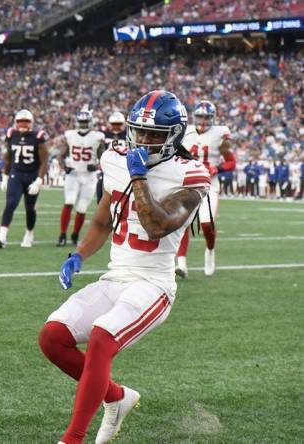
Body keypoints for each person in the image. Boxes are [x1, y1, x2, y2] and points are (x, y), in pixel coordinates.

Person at [40, 91, 209, 444]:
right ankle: (117, 397)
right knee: (53, 337)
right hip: (115, 276)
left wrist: (139, 177)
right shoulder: (116, 159)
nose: (144, 141)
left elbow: (156, 226)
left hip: (154, 285)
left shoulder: (191, 174)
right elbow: (103, 220)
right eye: (139, 132)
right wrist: (79, 255)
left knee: (102, 337)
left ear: (174, 136)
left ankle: (72, 438)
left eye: (155, 135)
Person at [175, 100, 235, 277]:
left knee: (207, 224)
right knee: (182, 223)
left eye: (206, 117)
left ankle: (210, 251)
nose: (202, 120)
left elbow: (231, 162)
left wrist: (218, 168)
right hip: (188, 183)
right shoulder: (185, 132)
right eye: (200, 116)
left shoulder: (220, 134)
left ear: (213, 118)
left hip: (209, 184)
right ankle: (181, 264)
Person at [0, 109, 49, 248]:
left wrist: (39, 180)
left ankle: (29, 233)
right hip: (16, 174)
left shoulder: (38, 137)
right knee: (10, 203)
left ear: (31, 123)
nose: (23, 124)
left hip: (32, 175)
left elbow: (44, 161)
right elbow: (8, 158)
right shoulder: (11, 134)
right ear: (16, 123)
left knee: (30, 208)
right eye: (20, 121)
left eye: (26, 121)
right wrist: (5, 176)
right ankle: (2, 235)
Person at [57, 109, 105, 247]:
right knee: (69, 201)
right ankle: (62, 235)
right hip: (74, 174)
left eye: (85, 122)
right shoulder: (70, 135)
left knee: (82, 208)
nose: (83, 125)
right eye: (81, 122)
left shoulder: (97, 137)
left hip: (89, 176)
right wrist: (64, 167)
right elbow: (61, 155)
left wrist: (96, 166)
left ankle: (75, 235)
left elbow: (103, 158)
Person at [100, 111, 128, 203]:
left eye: (118, 124)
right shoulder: (103, 135)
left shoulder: (128, 135)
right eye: (114, 124)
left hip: (122, 170)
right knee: (102, 198)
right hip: (107, 170)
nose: (116, 127)